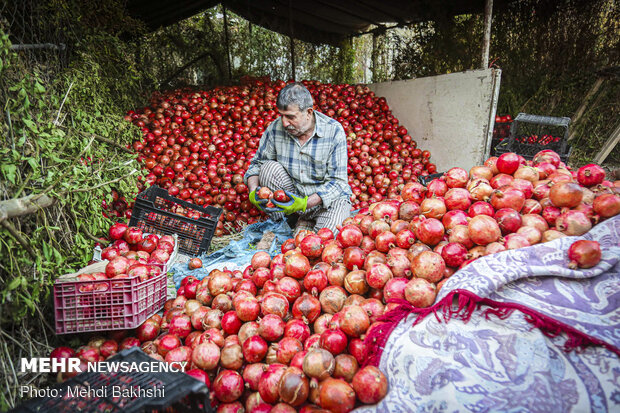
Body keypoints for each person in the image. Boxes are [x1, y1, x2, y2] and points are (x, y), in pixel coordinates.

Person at [243, 82, 352, 235]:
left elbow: (338, 182)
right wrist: (253, 191)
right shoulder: (275, 129)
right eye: (281, 115)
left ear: (308, 112)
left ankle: (304, 223)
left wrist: (305, 204)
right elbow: (257, 164)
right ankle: (288, 223)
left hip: (327, 204)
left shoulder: (333, 131)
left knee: (325, 241)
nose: (284, 123)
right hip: (294, 199)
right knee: (267, 168)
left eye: (290, 117)